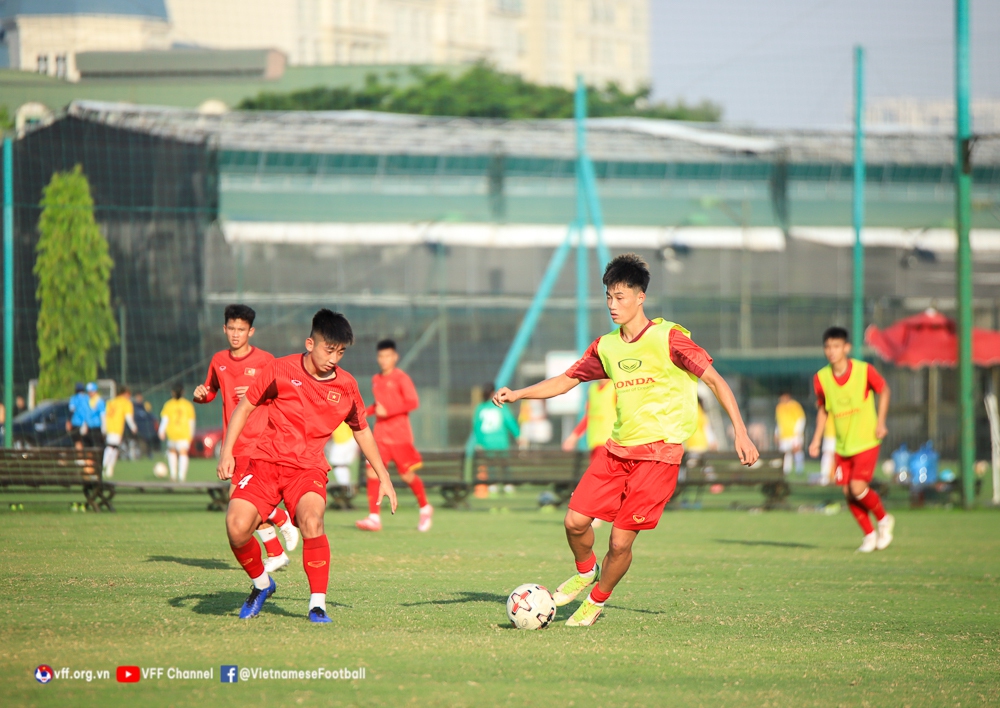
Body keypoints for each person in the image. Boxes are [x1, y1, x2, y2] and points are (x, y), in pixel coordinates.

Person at [493, 253, 759, 626]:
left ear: (640, 297)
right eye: (608, 297)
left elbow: (714, 380)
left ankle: (597, 600)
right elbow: (567, 380)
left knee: (619, 541)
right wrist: (519, 393)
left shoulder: (670, 339)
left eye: (620, 297)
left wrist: (740, 432)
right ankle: (586, 572)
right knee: (573, 522)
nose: (612, 305)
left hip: (659, 457)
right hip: (616, 452)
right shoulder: (607, 346)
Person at [217, 309, 398, 623]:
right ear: (310, 343)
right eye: (329, 350)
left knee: (313, 521)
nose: (334, 358)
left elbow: (362, 430)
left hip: (307, 469)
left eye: (340, 352)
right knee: (236, 527)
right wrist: (226, 452)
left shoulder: (346, 386)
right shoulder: (279, 369)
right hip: (264, 463)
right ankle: (262, 584)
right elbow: (246, 407)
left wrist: (384, 476)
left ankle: (317, 605)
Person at [194, 304, 298, 574]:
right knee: (242, 503)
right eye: (232, 328)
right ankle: (276, 548)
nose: (236, 334)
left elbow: (282, 395)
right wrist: (202, 395)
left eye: (241, 329)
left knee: (239, 501)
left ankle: (280, 519)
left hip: (258, 442)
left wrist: (256, 393)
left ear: (251, 331)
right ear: (224, 329)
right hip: (235, 442)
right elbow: (212, 390)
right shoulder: (218, 360)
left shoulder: (266, 361)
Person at [808, 326, 894, 553]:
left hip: (866, 441)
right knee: (847, 492)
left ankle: (884, 519)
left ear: (846, 347)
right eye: (827, 347)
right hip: (842, 444)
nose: (831, 351)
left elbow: (884, 390)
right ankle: (869, 534)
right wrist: (816, 439)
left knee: (857, 487)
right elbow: (823, 410)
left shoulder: (864, 371)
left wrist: (881, 422)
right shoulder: (821, 378)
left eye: (836, 346)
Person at [355, 339, 433, 533]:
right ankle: (374, 517)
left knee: (407, 476)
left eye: (388, 356)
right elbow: (378, 406)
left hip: (400, 437)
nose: (384, 360)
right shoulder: (376, 379)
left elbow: (412, 402)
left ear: (395, 357)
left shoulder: (401, 378)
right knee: (372, 472)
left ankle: (425, 507)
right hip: (380, 437)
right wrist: (362, 413)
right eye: (381, 356)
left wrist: (388, 411)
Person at [561, 379, 615, 461]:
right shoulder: (593, 388)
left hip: (611, 444)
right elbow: (589, 416)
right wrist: (574, 436)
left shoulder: (616, 388)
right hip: (594, 443)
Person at [159, 385, 195, 482]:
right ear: (183, 392)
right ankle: (181, 476)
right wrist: (191, 435)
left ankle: (173, 475)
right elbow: (191, 422)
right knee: (183, 453)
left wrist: (161, 431)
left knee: (172, 452)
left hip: (172, 433)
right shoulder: (188, 405)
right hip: (184, 433)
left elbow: (165, 419)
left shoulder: (169, 404)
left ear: (172, 392)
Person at [103, 385, 137, 479]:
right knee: (111, 448)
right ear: (125, 394)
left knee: (113, 448)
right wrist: (133, 427)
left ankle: (109, 468)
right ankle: (104, 467)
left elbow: (105, 416)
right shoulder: (126, 403)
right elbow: (128, 417)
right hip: (116, 429)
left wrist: (104, 429)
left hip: (109, 428)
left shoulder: (111, 402)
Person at [775, 392, 806, 475]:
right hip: (784, 435)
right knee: (785, 453)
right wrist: (777, 433)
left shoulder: (795, 406)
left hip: (794, 434)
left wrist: (798, 432)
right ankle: (786, 470)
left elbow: (801, 419)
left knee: (796, 450)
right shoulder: (779, 407)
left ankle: (799, 469)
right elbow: (779, 422)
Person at [326, 421, 360, 490]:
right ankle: (346, 486)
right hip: (343, 439)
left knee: (338, 463)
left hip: (344, 439)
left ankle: (345, 486)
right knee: (340, 464)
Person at [78, 382, 106, 449]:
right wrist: (84, 426)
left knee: (97, 447)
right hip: (89, 429)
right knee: (88, 448)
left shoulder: (99, 401)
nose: (90, 393)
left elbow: (103, 416)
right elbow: (86, 416)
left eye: (91, 391)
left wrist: (104, 429)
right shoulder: (88, 401)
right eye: (88, 391)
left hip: (96, 429)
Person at [819, 413, 837, 486]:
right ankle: (829, 478)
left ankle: (825, 479)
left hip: (832, 432)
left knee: (828, 455)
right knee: (830, 455)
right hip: (832, 432)